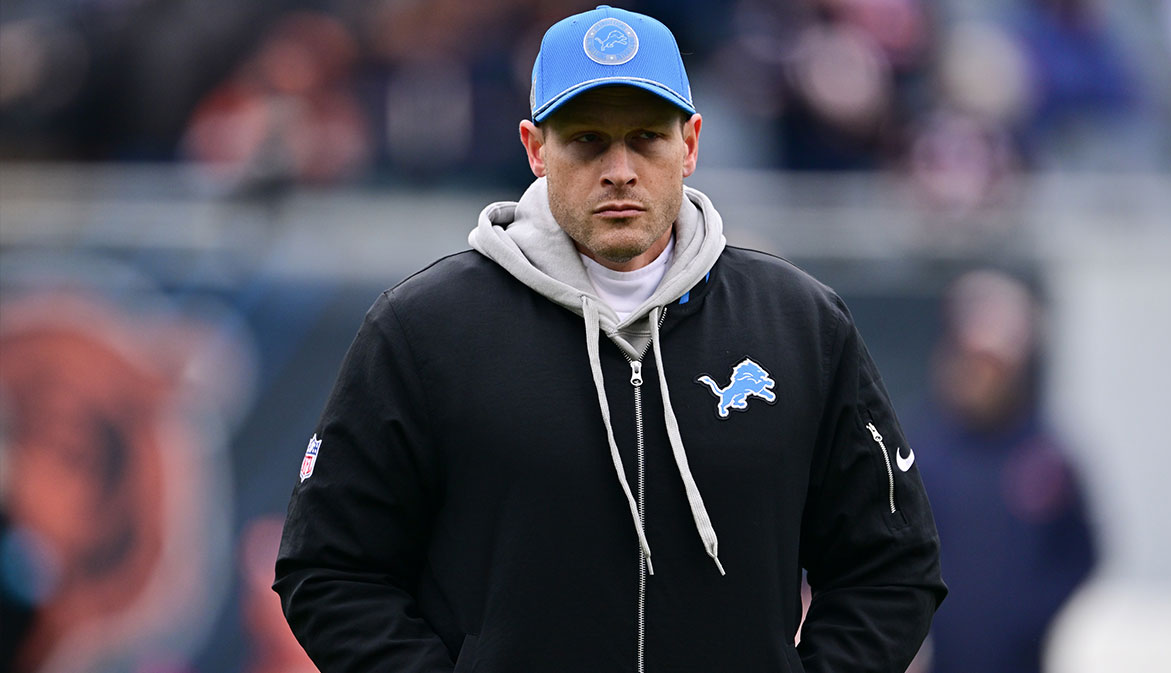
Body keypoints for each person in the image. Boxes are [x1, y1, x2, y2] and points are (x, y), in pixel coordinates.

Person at [274, 6, 946, 672]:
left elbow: (891, 566)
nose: (619, 168)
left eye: (647, 138)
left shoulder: (800, 325)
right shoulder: (425, 329)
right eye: (588, 140)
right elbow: (330, 568)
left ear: (690, 143)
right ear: (536, 148)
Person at [907, 270, 1095, 673]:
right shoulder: (921, 451)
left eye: (995, 363)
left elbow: (1081, 553)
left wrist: (1028, 616)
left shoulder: (1046, 457)